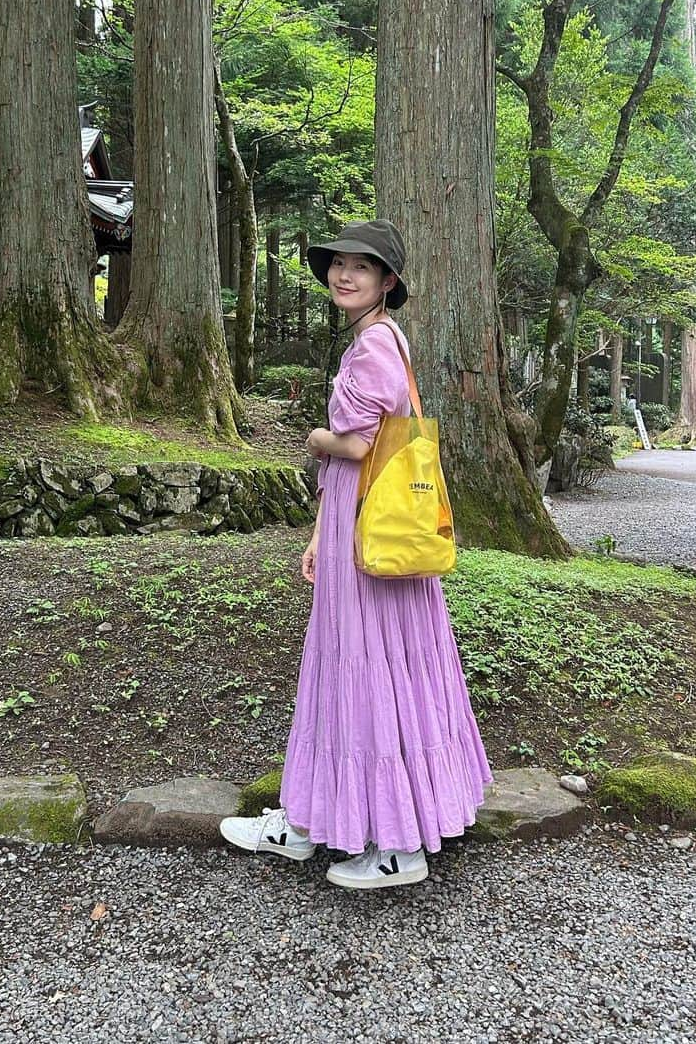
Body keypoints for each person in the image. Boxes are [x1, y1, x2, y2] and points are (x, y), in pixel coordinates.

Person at [220, 219, 494, 890]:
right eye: (339, 264)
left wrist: (315, 437)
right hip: (360, 526)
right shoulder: (379, 340)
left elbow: (356, 443)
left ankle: (393, 844)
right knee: (374, 664)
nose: (345, 275)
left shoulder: (374, 343)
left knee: (360, 666)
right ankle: (315, 818)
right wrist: (320, 532)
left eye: (362, 268)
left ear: (387, 282)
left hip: (367, 532)